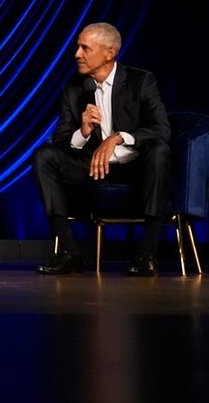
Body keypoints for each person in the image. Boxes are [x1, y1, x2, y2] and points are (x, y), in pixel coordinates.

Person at [33, 22, 171, 276]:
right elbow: (61, 139)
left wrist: (117, 138)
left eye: (85, 48)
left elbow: (161, 129)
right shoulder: (74, 89)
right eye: (78, 47)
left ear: (109, 53)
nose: (77, 54)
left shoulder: (140, 81)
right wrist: (83, 132)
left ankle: (147, 253)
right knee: (44, 156)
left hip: (134, 167)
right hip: (91, 168)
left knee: (159, 151)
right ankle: (69, 251)